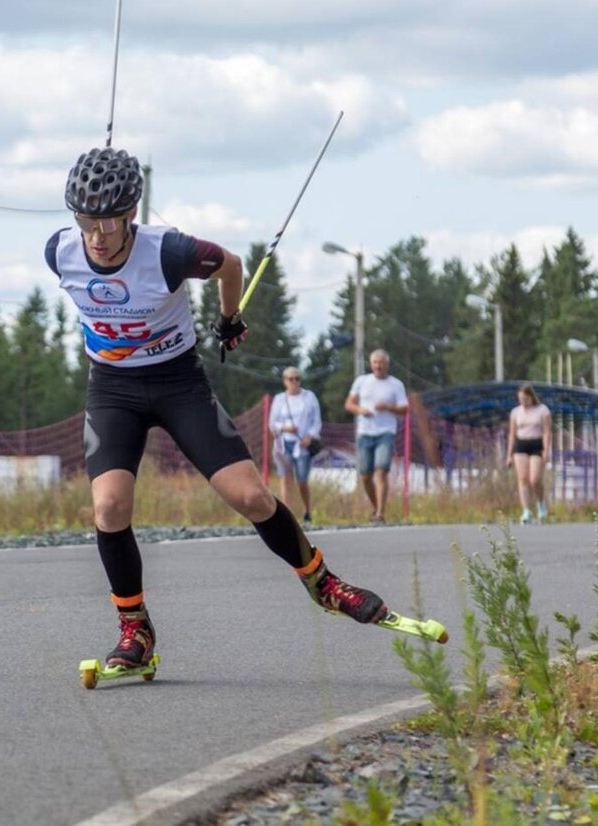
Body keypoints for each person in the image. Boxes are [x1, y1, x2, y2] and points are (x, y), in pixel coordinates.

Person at [46, 147, 392, 670]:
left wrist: (229, 318)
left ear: (131, 214)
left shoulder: (169, 252)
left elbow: (231, 264)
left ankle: (324, 584)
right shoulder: (59, 252)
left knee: (250, 497)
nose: (96, 235)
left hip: (177, 382)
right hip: (113, 389)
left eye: (109, 222)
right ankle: (135, 630)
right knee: (109, 508)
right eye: (86, 221)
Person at [345, 349, 408, 524]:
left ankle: (380, 512)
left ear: (387, 364)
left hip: (385, 432)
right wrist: (360, 410)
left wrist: (388, 407)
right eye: (375, 362)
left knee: (381, 471)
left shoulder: (396, 384)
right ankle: (375, 506)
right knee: (365, 475)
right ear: (371, 364)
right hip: (365, 432)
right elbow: (349, 404)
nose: (378, 365)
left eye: (381, 362)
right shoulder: (362, 381)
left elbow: (404, 410)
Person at [268, 366, 323, 524]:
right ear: (285, 381)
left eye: (297, 378)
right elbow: (272, 424)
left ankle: (307, 509)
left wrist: (310, 436)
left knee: (302, 479)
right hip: (284, 443)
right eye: (290, 379)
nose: (294, 382)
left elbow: (316, 421)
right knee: (285, 479)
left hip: (302, 444)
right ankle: (288, 514)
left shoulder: (309, 397)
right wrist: (285, 428)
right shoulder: (279, 399)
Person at [506, 382, 551, 524]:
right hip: (521, 445)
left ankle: (541, 504)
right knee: (523, 478)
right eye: (520, 399)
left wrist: (546, 450)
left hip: (537, 444)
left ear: (531, 397)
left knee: (535, 479)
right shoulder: (515, 412)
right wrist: (509, 454)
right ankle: (526, 511)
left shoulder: (543, 410)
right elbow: (512, 434)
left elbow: (546, 432)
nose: (523, 402)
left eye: (525, 399)